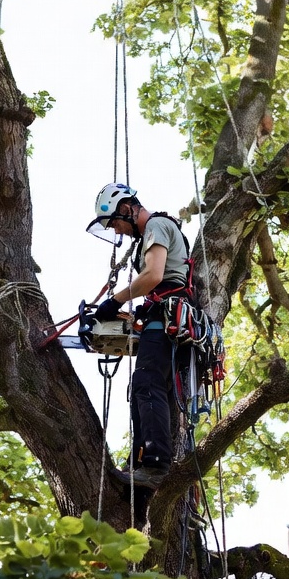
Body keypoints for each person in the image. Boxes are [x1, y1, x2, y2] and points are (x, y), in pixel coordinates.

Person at [86, 183, 191, 488]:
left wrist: (114, 301)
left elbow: (154, 275)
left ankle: (157, 466)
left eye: (115, 223)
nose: (117, 231)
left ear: (126, 208)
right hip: (162, 318)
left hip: (167, 318)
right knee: (144, 387)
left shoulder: (157, 225)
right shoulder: (147, 236)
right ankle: (141, 460)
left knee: (146, 384)